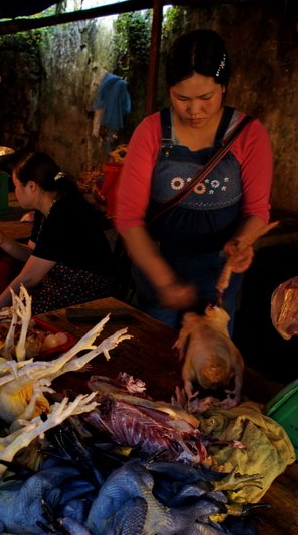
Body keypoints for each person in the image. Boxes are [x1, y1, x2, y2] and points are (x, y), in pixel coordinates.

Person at [114, 29, 273, 330]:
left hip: (218, 278)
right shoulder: (150, 132)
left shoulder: (249, 135)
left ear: (224, 86)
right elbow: (128, 217)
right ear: (169, 89)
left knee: (212, 366)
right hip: (157, 270)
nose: (194, 110)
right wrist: (164, 282)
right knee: (156, 363)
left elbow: (257, 211)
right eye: (181, 98)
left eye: (206, 97)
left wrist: (241, 243)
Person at [0, 151, 116, 312]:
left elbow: (29, 277)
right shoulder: (45, 208)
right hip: (62, 289)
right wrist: (3, 241)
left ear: (31, 186)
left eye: (16, 186)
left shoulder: (63, 214)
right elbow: (34, 256)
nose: (15, 192)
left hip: (87, 298)